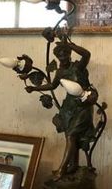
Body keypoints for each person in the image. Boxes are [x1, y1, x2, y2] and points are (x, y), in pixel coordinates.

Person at [25, 38, 97, 179]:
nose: (62, 57)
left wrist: (70, 44)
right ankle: (73, 165)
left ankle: (62, 169)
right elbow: (52, 85)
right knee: (70, 137)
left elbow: (86, 54)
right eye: (60, 56)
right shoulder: (60, 72)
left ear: (70, 54)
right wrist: (34, 88)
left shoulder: (78, 67)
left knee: (71, 135)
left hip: (83, 105)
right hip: (68, 107)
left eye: (65, 54)